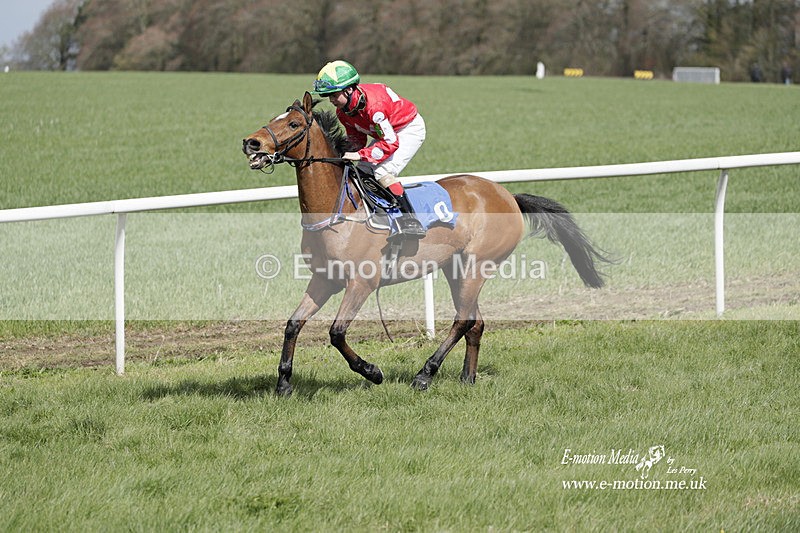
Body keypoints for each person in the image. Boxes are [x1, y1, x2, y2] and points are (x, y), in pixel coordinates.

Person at [312, 60, 427, 238]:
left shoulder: (374, 108)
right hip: (387, 133)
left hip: (407, 129)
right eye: (329, 96)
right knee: (361, 171)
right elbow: (357, 137)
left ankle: (410, 220)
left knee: (382, 171)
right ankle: (378, 211)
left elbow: (390, 143)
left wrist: (359, 154)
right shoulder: (343, 111)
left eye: (334, 95)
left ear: (348, 90)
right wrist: (347, 152)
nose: (332, 100)